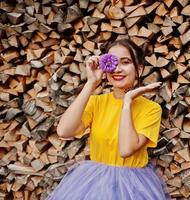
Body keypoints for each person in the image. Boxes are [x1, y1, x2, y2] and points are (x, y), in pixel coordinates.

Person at [46, 38, 171, 199]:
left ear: (139, 68)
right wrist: (91, 83)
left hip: (134, 187)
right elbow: (64, 131)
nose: (117, 69)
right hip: (94, 183)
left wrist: (127, 102)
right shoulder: (97, 102)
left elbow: (126, 150)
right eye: (112, 63)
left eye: (125, 62)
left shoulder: (151, 109)